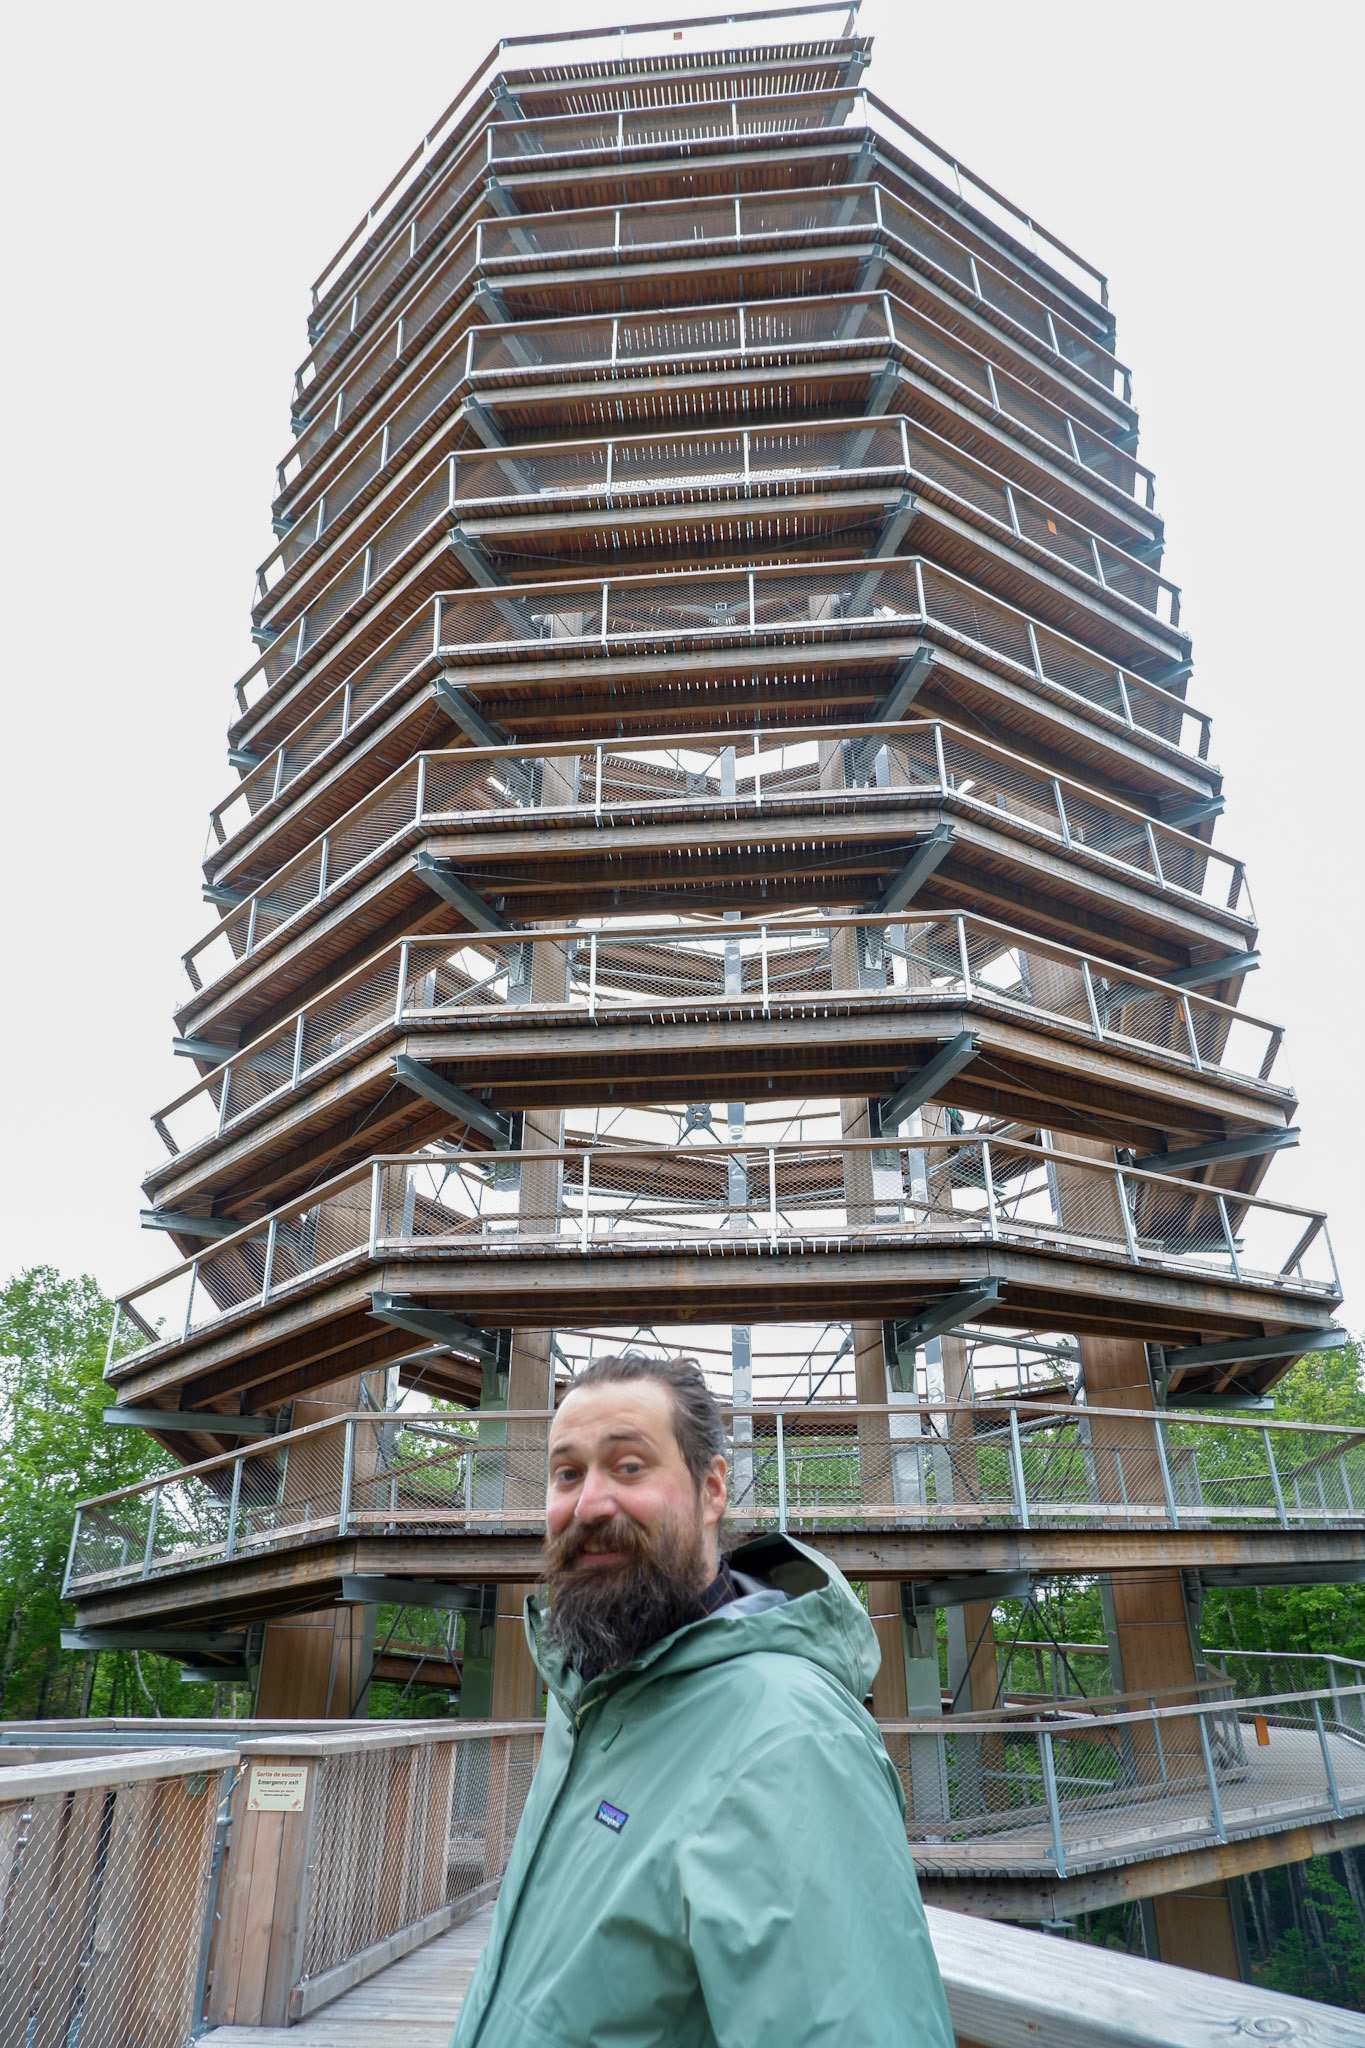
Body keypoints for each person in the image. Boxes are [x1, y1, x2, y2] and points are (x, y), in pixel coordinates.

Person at [451, 1351, 955, 2048]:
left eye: (629, 1466)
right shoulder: (590, 1693)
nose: (589, 1504)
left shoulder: (790, 1741)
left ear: (711, 1489)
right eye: (567, 1473)